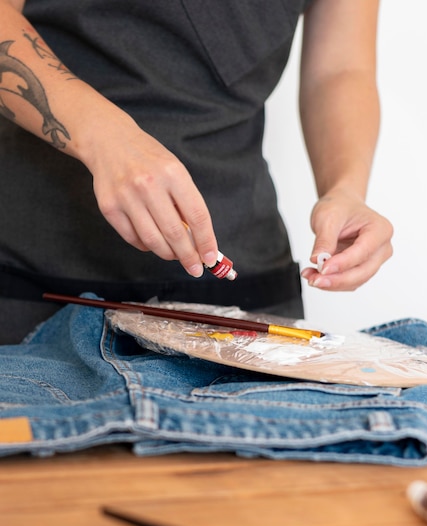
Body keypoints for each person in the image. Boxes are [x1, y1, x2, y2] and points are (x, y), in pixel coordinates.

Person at [0, 0, 393, 344]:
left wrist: (344, 190)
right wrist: (104, 137)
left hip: (247, 300)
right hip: (33, 290)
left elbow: (342, 69)